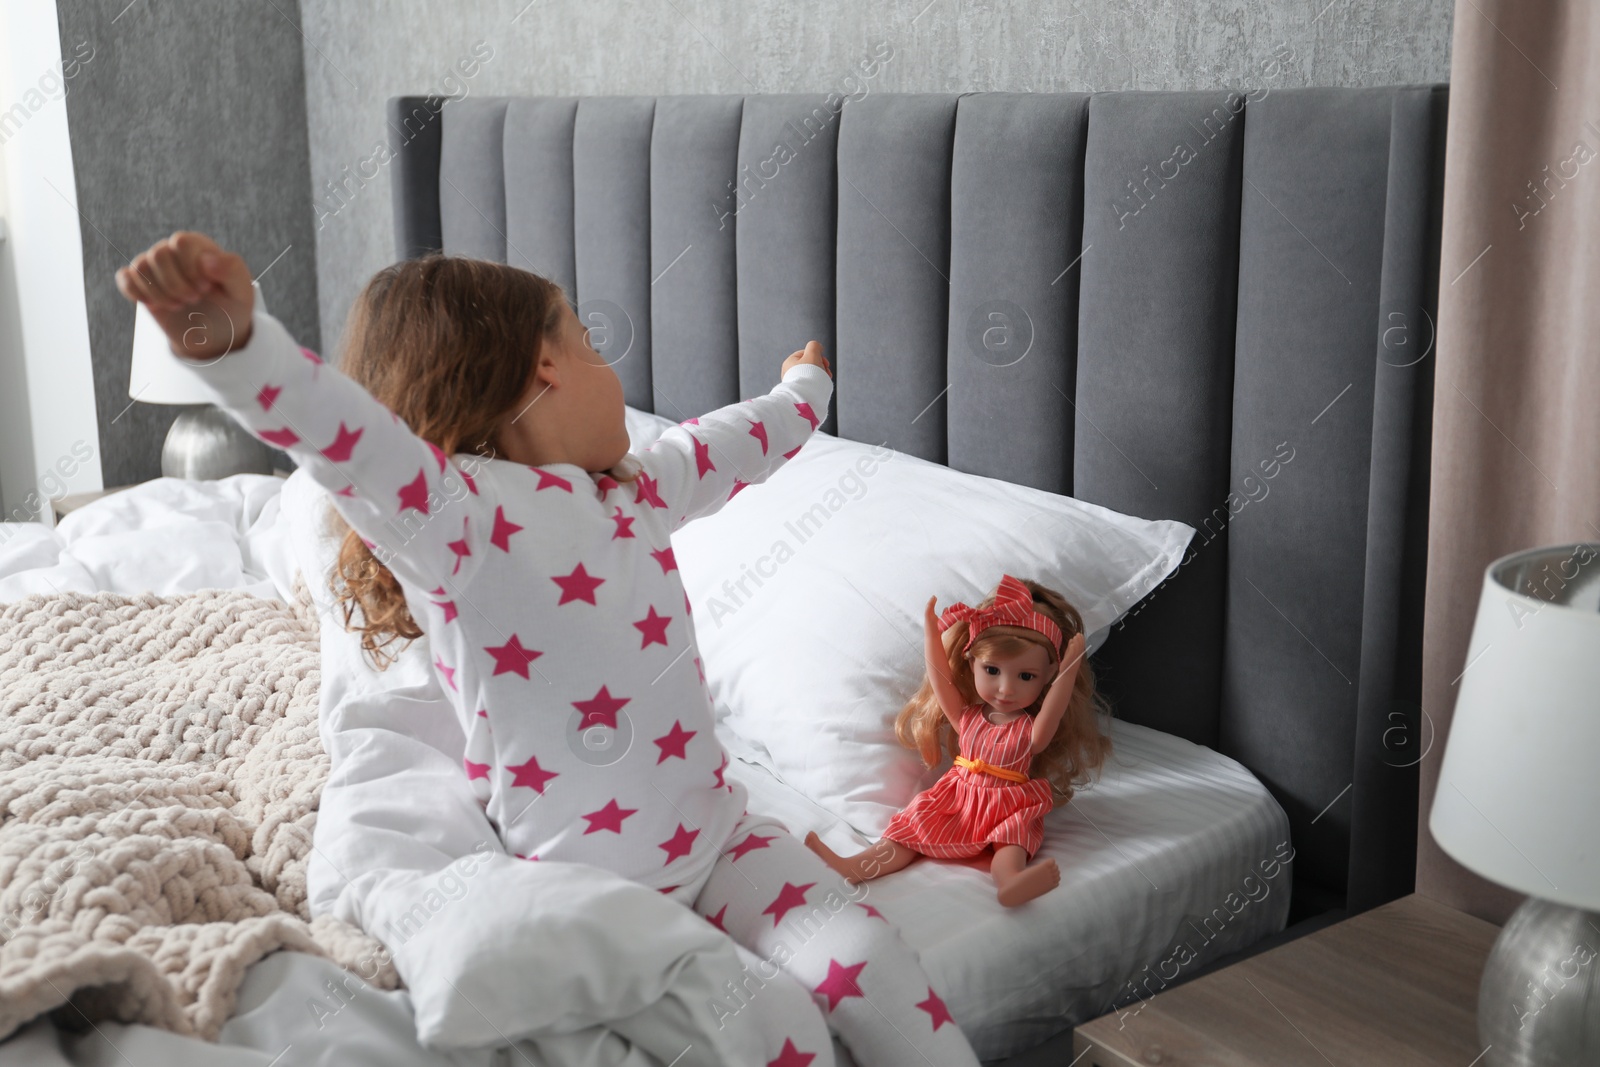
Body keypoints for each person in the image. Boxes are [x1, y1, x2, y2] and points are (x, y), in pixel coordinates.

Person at [116, 231, 982, 1067]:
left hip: (723, 841)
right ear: (546, 366)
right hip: (589, 896)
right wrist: (240, 354)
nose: (612, 368)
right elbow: (347, 440)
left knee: (869, 961)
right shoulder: (453, 520)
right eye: (591, 341)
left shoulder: (636, 489)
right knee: (774, 1023)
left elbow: (736, 442)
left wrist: (805, 391)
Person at [806, 575, 1111, 907]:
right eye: (992, 670)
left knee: (1012, 842)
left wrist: (1069, 669)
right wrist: (931, 633)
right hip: (958, 795)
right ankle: (855, 866)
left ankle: (1011, 882)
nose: (1006, 689)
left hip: (1010, 802)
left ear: (1048, 676)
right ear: (971, 662)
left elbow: (1053, 709)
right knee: (910, 830)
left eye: (1026, 676)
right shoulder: (968, 718)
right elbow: (940, 680)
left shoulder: (1030, 731)